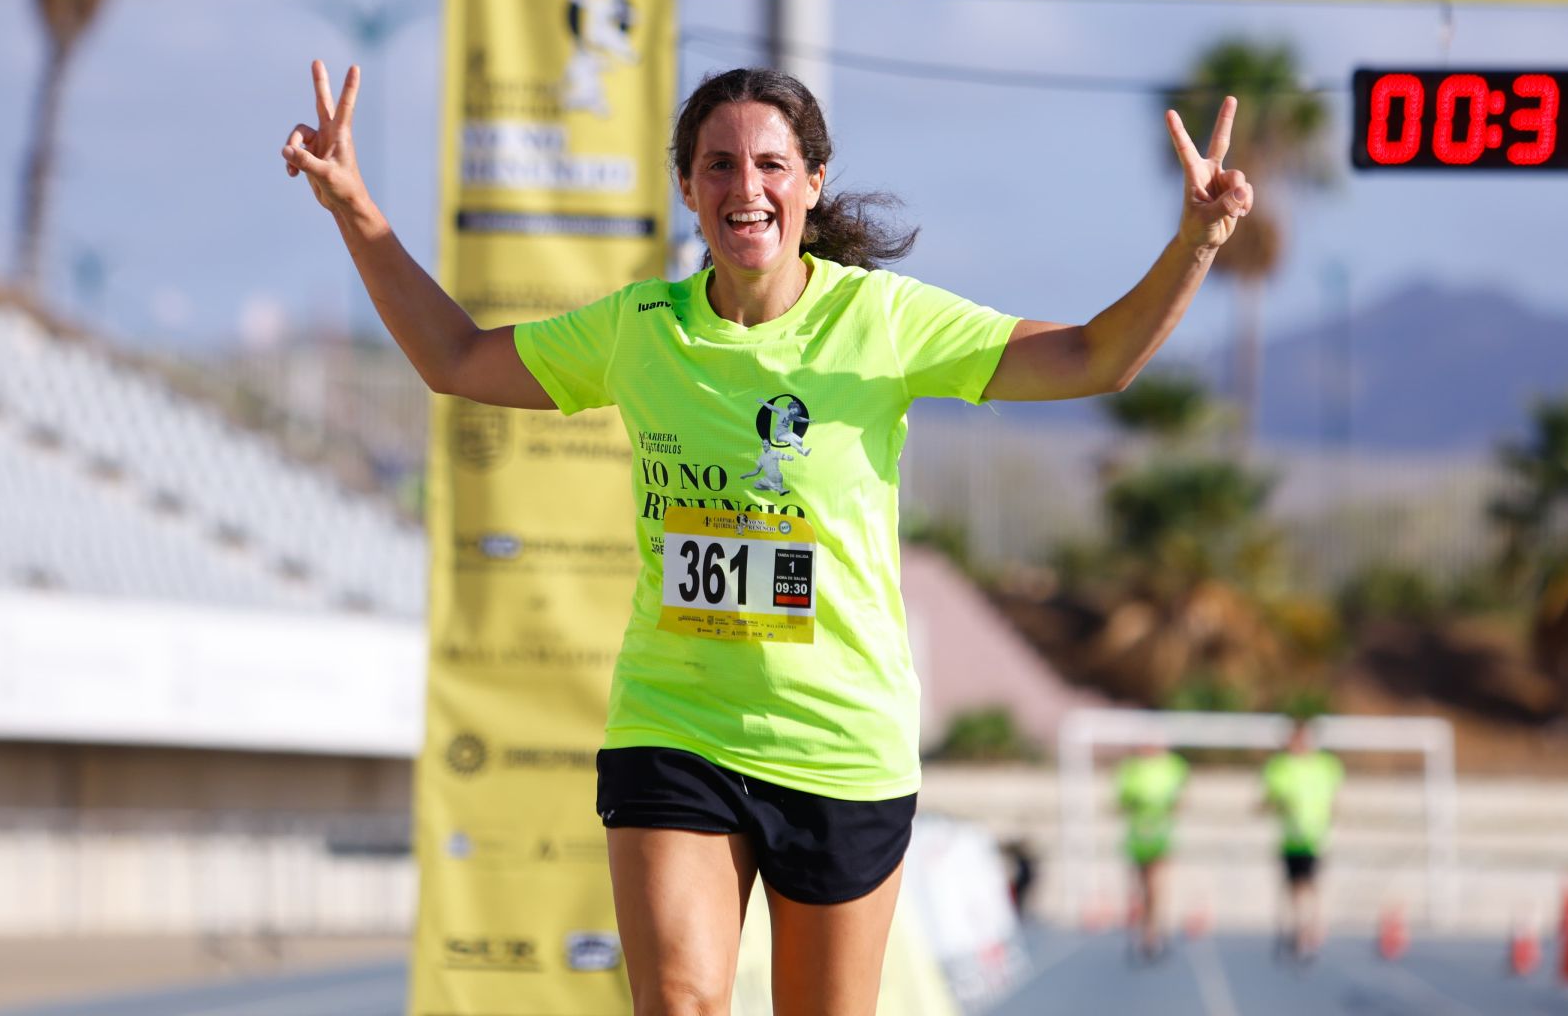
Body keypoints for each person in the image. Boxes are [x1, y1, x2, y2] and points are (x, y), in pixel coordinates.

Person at [281, 61, 1250, 1015]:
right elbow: (456, 359)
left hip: (840, 743)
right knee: (685, 1003)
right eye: (719, 164)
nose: (746, 186)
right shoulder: (640, 329)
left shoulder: (883, 321)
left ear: (813, 182)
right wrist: (353, 207)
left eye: (772, 164)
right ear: (688, 188)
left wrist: (1198, 241)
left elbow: (1095, 356)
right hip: (675, 726)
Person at [1261, 718, 1345, 964]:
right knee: (1294, 886)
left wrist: (1332, 822)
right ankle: (1300, 929)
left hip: (1315, 835)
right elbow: (1270, 799)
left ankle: (1310, 932)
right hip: (1290, 837)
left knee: (1311, 884)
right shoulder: (1279, 766)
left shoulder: (1326, 765)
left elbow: (1335, 799)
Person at [1114, 739, 1189, 961]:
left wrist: (1168, 807)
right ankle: (1143, 928)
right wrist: (1136, 804)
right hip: (1137, 836)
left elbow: (1181, 799)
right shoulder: (1131, 770)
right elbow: (1120, 802)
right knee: (1140, 887)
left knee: (1156, 885)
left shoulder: (1172, 768)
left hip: (1160, 836)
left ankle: (1153, 932)